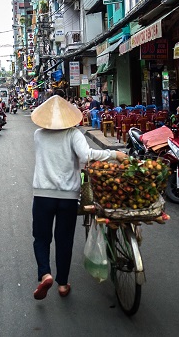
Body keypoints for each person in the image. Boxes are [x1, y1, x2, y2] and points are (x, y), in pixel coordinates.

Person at [30, 95, 127, 300]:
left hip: (42, 195)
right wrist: (113, 154)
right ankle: (63, 284)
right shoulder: (73, 134)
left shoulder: (38, 135)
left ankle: (45, 274)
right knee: (64, 240)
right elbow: (85, 156)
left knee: (41, 237)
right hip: (68, 197)